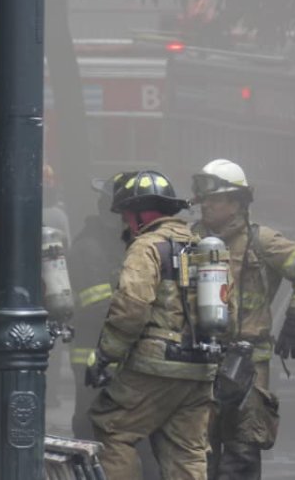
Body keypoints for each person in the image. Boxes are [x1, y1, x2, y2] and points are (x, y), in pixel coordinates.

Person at [191, 158, 295, 480]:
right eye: (204, 198)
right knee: (198, 448)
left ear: (236, 203)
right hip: (197, 359)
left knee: (243, 448)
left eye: (215, 198)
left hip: (248, 363)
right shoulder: (188, 240)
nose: (205, 205)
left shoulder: (261, 241)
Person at [86, 170, 216, 479]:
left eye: (126, 215)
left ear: (140, 214)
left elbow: (131, 307)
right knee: (187, 450)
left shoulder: (147, 246)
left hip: (155, 364)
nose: (124, 224)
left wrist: (107, 355)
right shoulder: (201, 246)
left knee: (113, 426)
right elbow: (229, 309)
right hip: (200, 367)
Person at [67, 173, 129, 438]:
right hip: (93, 352)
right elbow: (97, 306)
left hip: (116, 352)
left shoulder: (118, 244)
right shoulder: (90, 247)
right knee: (91, 418)